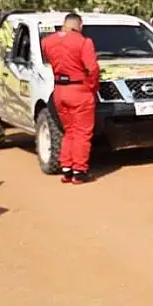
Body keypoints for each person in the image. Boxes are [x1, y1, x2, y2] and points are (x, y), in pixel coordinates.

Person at [41, 12, 100, 184]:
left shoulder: (47, 41)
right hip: (79, 90)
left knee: (69, 131)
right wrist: (92, 87)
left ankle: (66, 168)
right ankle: (79, 171)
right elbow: (92, 69)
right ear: (79, 25)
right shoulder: (83, 42)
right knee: (82, 132)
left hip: (59, 90)